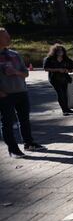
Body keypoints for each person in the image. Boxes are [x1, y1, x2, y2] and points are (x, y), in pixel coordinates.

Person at [0, 28, 45, 157]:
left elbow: (25, 73)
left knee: (24, 120)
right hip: (5, 95)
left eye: (8, 36)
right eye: (5, 37)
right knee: (7, 123)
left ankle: (29, 143)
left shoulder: (14, 54)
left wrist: (15, 72)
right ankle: (13, 150)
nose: (8, 39)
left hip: (21, 91)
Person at [43, 44, 73, 116]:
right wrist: (58, 69)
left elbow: (72, 69)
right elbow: (46, 68)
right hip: (54, 79)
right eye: (58, 50)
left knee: (65, 93)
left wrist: (67, 70)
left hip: (64, 78)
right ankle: (64, 110)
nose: (60, 52)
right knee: (60, 93)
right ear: (55, 51)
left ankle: (67, 109)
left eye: (61, 50)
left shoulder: (66, 59)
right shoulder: (49, 59)